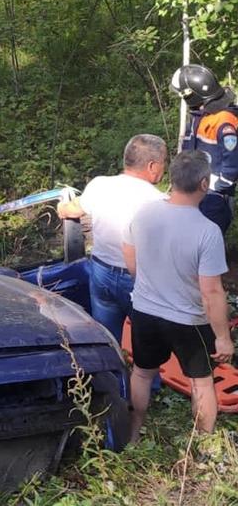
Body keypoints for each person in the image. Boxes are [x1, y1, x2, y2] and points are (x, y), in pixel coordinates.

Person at [123, 151, 235, 442]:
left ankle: (132, 435)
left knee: (142, 373)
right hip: (189, 320)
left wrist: (147, 284)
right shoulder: (207, 232)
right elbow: (211, 292)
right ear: (204, 184)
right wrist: (223, 337)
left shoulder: (144, 213)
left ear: (171, 180)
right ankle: (202, 445)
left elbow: (129, 255)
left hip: (145, 311)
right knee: (201, 382)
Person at [57, 134, 167, 344]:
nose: (164, 168)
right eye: (164, 163)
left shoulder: (100, 185)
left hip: (101, 274)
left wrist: (61, 206)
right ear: (152, 166)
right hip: (139, 280)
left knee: (107, 342)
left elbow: (70, 210)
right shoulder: (160, 202)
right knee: (148, 353)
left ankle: (111, 375)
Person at [171, 64, 238, 233]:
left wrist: (222, 185)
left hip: (214, 196)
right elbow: (189, 148)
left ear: (192, 96)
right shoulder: (200, 116)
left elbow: (233, 158)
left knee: (207, 240)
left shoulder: (224, 121)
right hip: (195, 189)